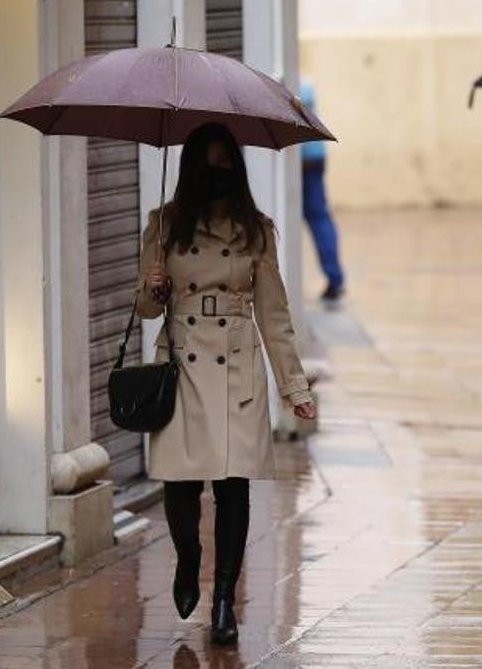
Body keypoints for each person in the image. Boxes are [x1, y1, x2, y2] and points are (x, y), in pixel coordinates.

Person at [137, 122, 317, 646]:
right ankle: (189, 558)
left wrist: (295, 388)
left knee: (233, 487)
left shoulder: (256, 231)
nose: (218, 175)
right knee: (181, 486)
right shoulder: (164, 226)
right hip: (182, 366)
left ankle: (223, 601)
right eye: (208, 165)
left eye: (226, 165)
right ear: (193, 171)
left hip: (237, 364)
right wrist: (153, 287)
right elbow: (146, 308)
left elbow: (275, 315)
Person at [299, 81, 346, 301]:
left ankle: (334, 278)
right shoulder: (305, 83)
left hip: (300, 158)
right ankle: (335, 278)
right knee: (320, 218)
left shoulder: (287, 83)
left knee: (316, 218)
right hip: (316, 154)